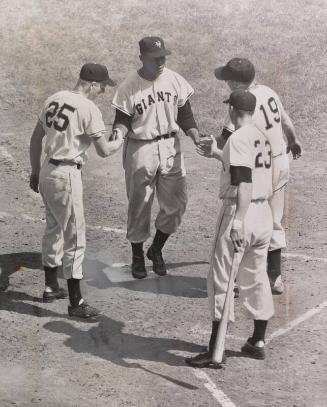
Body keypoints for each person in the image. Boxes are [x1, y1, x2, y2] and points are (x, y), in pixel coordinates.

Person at [186, 90, 275, 368]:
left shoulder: (237, 138)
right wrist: (216, 153)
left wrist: (238, 220)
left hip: (241, 210)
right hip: (264, 215)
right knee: (257, 274)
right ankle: (257, 341)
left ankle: (216, 349)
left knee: (221, 277)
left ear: (234, 110)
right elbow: (243, 170)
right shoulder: (262, 135)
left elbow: (244, 183)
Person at [29, 63, 123, 318]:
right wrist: (120, 139)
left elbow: (36, 138)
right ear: (92, 84)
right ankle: (76, 303)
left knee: (53, 228)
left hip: (48, 171)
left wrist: (35, 172)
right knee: (75, 237)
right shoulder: (88, 108)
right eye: (102, 86)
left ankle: (50, 286)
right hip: (67, 175)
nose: (103, 91)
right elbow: (104, 150)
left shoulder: (54, 98)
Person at [111, 36, 201, 279]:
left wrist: (195, 136)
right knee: (139, 205)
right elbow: (121, 121)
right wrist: (117, 135)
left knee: (176, 204)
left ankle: (156, 249)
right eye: (155, 58)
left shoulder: (174, 80)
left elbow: (185, 116)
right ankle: (137, 255)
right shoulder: (129, 86)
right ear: (142, 58)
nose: (161, 61)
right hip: (141, 149)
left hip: (171, 146)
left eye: (163, 57)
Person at [214, 58, 302, 294]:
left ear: (234, 83)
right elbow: (285, 120)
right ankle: (275, 278)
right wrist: (292, 141)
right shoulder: (269, 91)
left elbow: (226, 141)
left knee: (242, 218)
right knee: (274, 220)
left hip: (258, 169)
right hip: (280, 161)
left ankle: (231, 281)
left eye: (227, 80)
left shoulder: (241, 104)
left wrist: (209, 146)